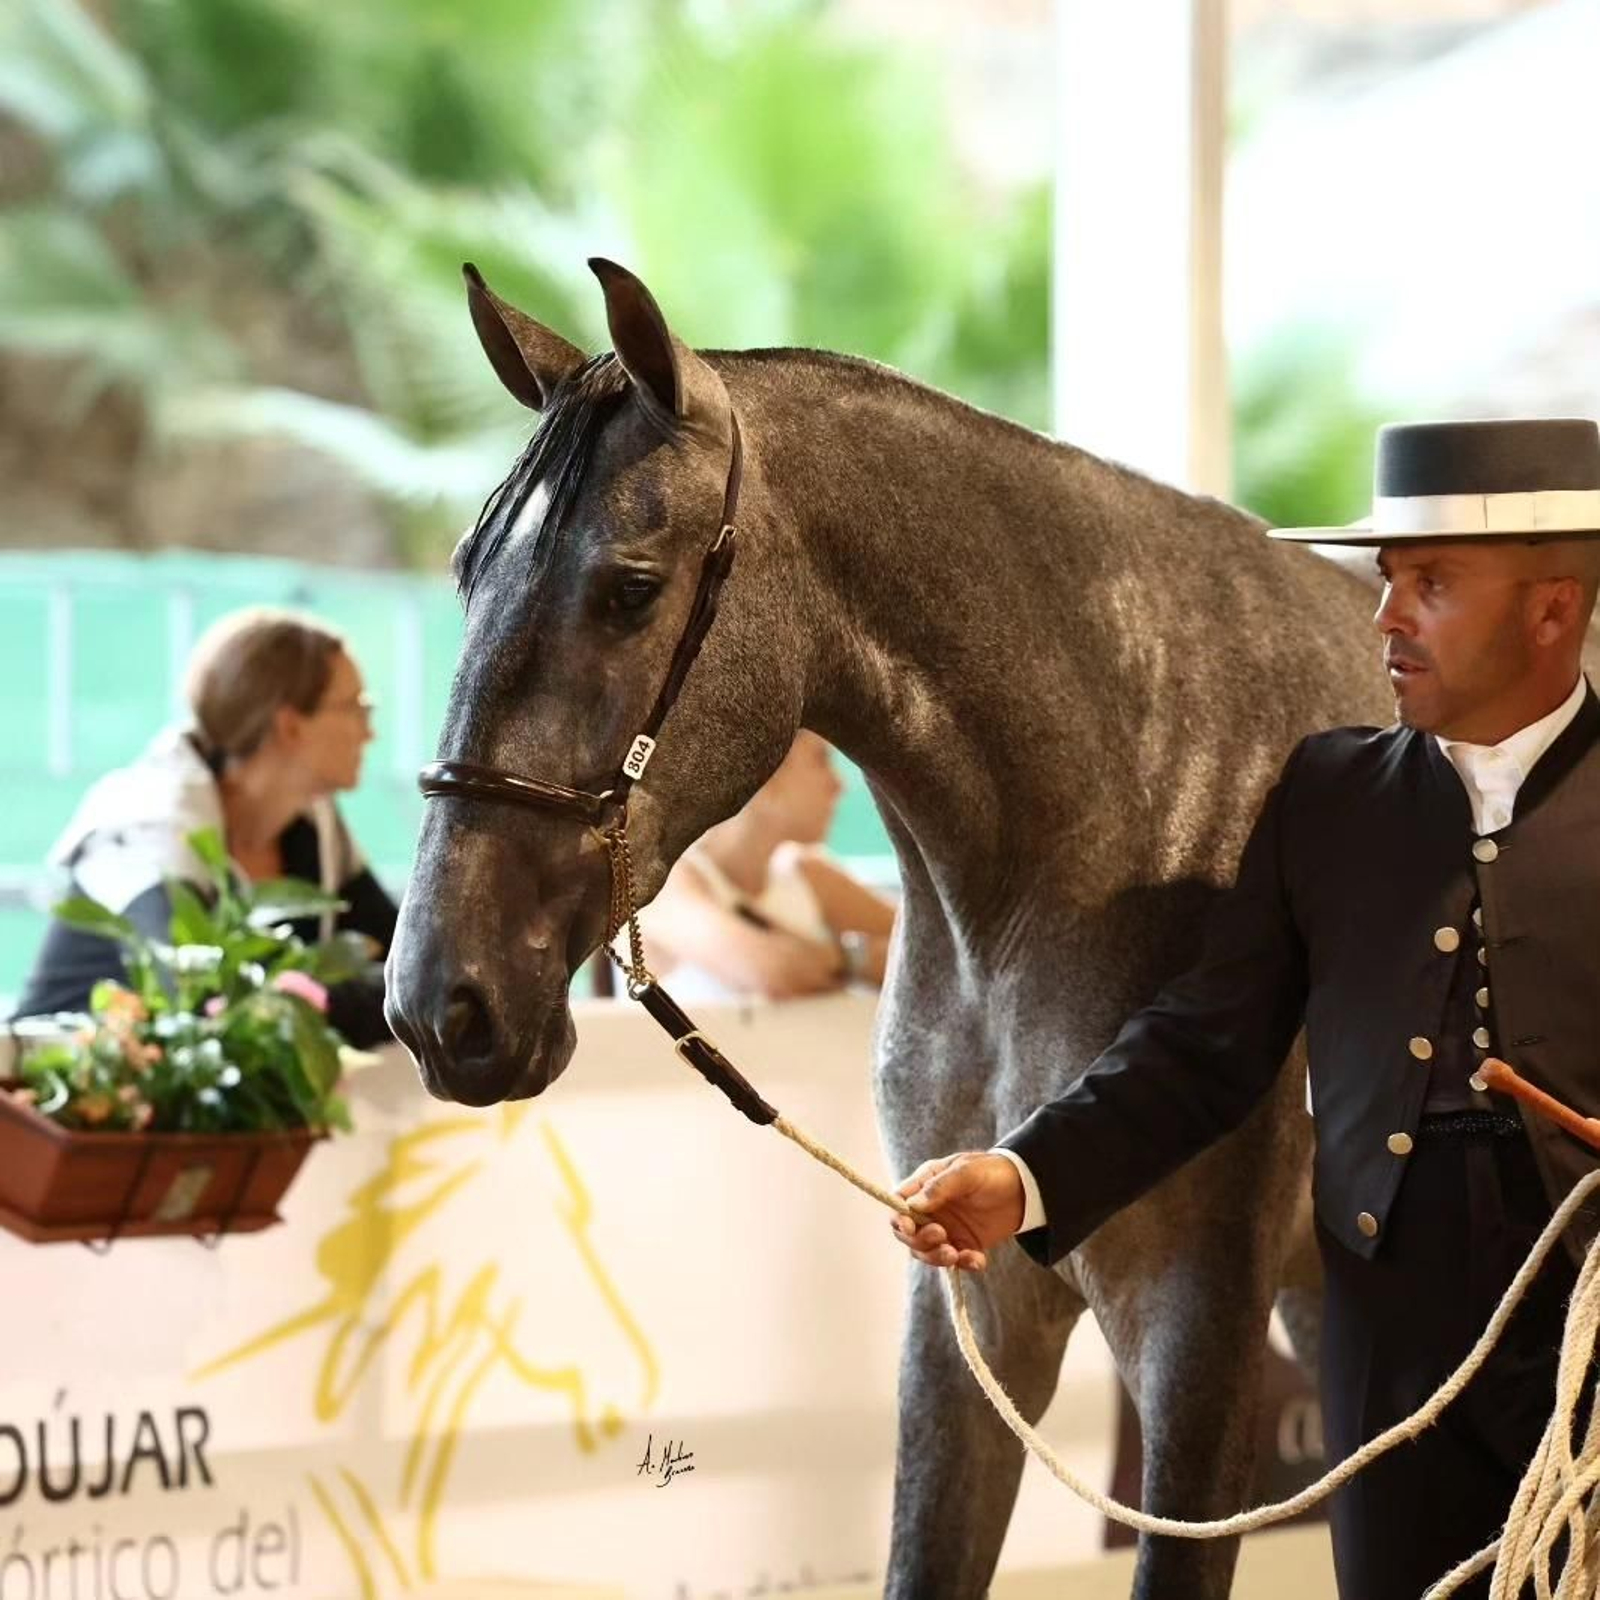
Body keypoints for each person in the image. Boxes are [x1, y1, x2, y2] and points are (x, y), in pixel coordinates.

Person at [889, 417, 1600, 1600]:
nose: (1384, 619)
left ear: (1548, 610)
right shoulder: (1330, 798)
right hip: (1391, 1356)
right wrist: (1020, 1180)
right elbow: (1199, 1051)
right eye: (1385, 581)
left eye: (1430, 584)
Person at [13, 606, 396, 1047]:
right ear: (290, 725)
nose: (369, 732)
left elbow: (410, 976)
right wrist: (330, 1002)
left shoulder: (311, 819)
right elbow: (204, 1006)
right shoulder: (152, 823)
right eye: (355, 708)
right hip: (59, 1097)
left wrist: (308, 1001)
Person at [639, 730, 895, 1001]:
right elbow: (774, 971)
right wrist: (857, 958)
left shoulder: (808, 874)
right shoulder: (664, 882)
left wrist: (827, 958)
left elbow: (930, 941)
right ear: (764, 773)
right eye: (820, 759)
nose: (838, 784)